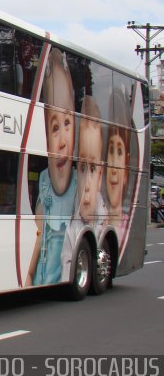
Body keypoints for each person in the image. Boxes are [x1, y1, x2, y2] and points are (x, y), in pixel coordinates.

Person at [26, 48, 77, 286]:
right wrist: (27, 274)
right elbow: (37, 231)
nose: (62, 139)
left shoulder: (79, 185)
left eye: (67, 122)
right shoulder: (44, 179)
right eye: (55, 128)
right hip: (40, 277)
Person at [62, 96, 107, 280]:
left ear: (101, 174)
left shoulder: (104, 217)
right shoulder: (72, 224)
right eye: (82, 168)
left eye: (93, 168)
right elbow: (65, 263)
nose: (87, 184)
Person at [105, 88, 132, 242]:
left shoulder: (127, 229)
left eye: (120, 152)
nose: (114, 167)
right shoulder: (93, 219)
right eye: (111, 150)